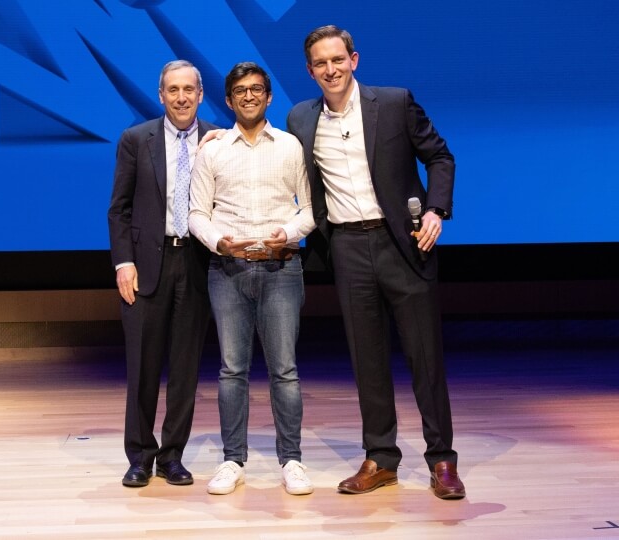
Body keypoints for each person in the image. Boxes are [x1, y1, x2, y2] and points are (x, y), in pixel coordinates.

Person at [286, 25, 466, 500]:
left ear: (354, 59)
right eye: (321, 64)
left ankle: (442, 460)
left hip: (403, 245)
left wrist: (435, 209)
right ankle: (381, 458)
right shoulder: (300, 119)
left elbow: (440, 156)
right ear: (310, 71)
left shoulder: (394, 102)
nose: (331, 69)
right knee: (367, 360)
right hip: (346, 248)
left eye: (338, 59)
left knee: (424, 357)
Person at [189, 62, 316, 496]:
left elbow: (310, 209)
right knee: (231, 370)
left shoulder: (290, 146)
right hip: (228, 270)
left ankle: (292, 460)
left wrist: (291, 232)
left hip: (282, 267)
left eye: (256, 89)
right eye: (240, 90)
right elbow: (196, 214)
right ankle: (232, 459)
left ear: (268, 96)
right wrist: (220, 243)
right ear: (228, 100)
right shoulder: (213, 150)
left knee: (285, 370)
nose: (248, 96)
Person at [107, 60, 216, 488]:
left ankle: (173, 456)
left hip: (197, 263)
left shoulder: (216, 140)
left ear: (201, 94)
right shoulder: (136, 139)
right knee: (143, 367)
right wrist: (123, 262)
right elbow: (120, 207)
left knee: (186, 368)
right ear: (161, 95)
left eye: (189, 89)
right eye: (173, 89)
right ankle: (139, 456)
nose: (182, 97)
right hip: (146, 265)